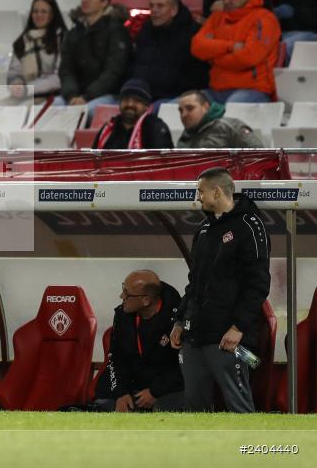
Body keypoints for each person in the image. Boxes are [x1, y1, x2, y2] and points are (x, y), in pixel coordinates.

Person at [170, 167, 270, 412]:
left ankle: (247, 440)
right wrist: (181, 320)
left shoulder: (250, 226)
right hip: (195, 334)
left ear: (217, 191)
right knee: (194, 405)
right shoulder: (204, 229)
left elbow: (258, 284)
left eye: (201, 191)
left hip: (228, 335)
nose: (198, 198)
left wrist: (238, 327)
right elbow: (195, 281)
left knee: (238, 404)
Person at [93, 270, 184, 412]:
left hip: (166, 389)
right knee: (103, 405)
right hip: (131, 386)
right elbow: (116, 357)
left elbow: (183, 366)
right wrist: (121, 393)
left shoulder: (179, 322)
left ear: (146, 300)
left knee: (163, 409)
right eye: (123, 289)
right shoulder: (122, 316)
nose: (121, 296)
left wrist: (155, 391)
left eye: (127, 294)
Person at [191, 0, 280, 103]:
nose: (226, 1)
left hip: (253, 89)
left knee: (232, 108)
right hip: (216, 90)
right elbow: (197, 47)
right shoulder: (217, 16)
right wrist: (230, 47)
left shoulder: (265, 18)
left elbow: (249, 57)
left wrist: (213, 58)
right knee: (175, 106)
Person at [58, 0, 132, 115]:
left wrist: (87, 97)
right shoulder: (74, 32)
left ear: (104, 2)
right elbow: (66, 70)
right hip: (77, 95)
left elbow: (114, 72)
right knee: (52, 108)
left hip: (109, 94)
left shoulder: (117, 31)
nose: (85, 0)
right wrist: (72, 95)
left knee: (88, 112)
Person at [131, 0, 209, 103]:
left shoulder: (192, 34)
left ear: (174, 10)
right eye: (151, 6)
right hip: (143, 94)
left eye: (160, 6)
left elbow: (194, 76)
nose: (154, 10)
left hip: (176, 96)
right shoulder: (146, 31)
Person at [0, 0, 66, 106]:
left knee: (24, 109)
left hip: (53, 95)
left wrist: (28, 89)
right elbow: (14, 72)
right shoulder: (22, 41)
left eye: (44, 11)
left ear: (53, 14)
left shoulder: (63, 39)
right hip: (25, 94)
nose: (39, 15)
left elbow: (59, 78)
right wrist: (16, 82)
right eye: (35, 11)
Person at [91, 79, 174, 149]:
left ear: (146, 106)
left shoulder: (155, 127)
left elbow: (164, 160)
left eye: (137, 101)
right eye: (126, 100)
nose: (130, 104)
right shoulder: (109, 127)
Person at [175, 90, 264, 148]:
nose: (184, 115)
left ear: (206, 107)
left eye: (190, 108)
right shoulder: (185, 137)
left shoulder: (231, 127)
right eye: (180, 110)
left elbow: (259, 154)